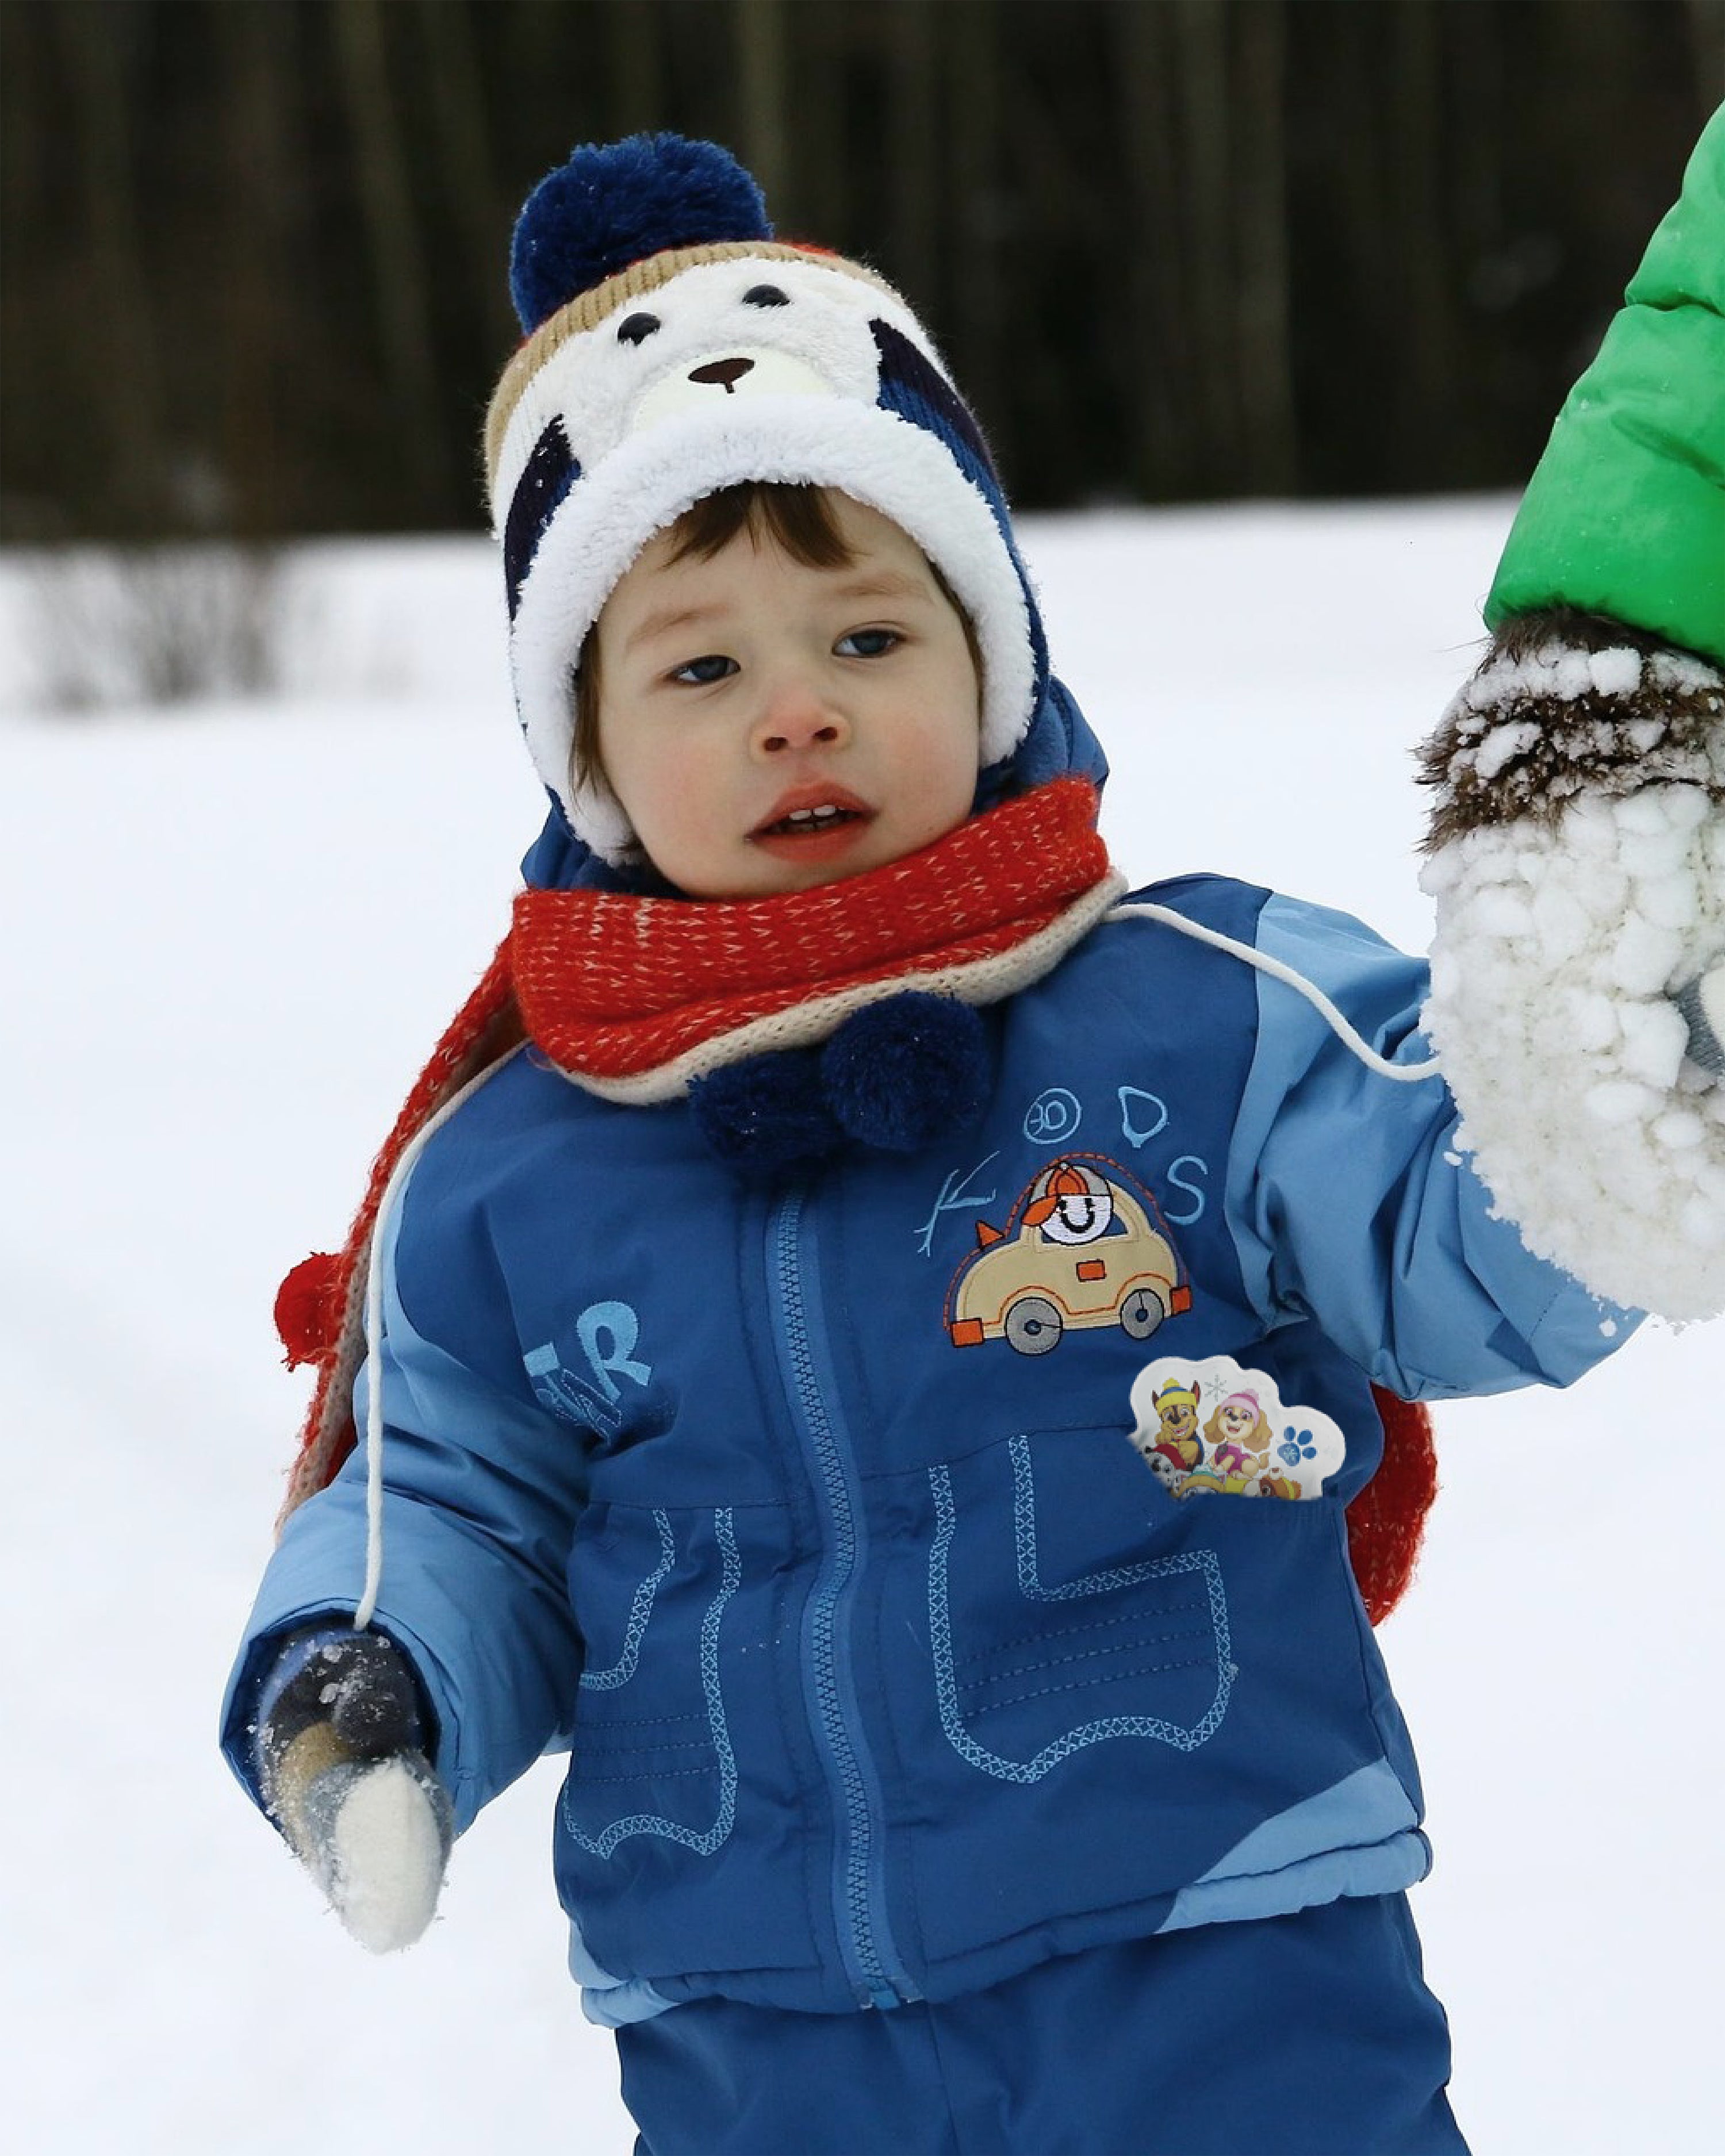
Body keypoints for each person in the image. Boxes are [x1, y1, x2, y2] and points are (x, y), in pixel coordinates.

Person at [221, 125, 1725, 2154]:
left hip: (1223, 1964)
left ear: (993, 662)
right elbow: (448, 1493)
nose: (798, 715)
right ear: (587, 749)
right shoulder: (515, 1172)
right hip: (754, 2031)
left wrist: (1612, 1088)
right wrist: (365, 1681)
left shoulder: (1199, 1007)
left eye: (869, 639)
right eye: (702, 667)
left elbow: (1466, 1230)